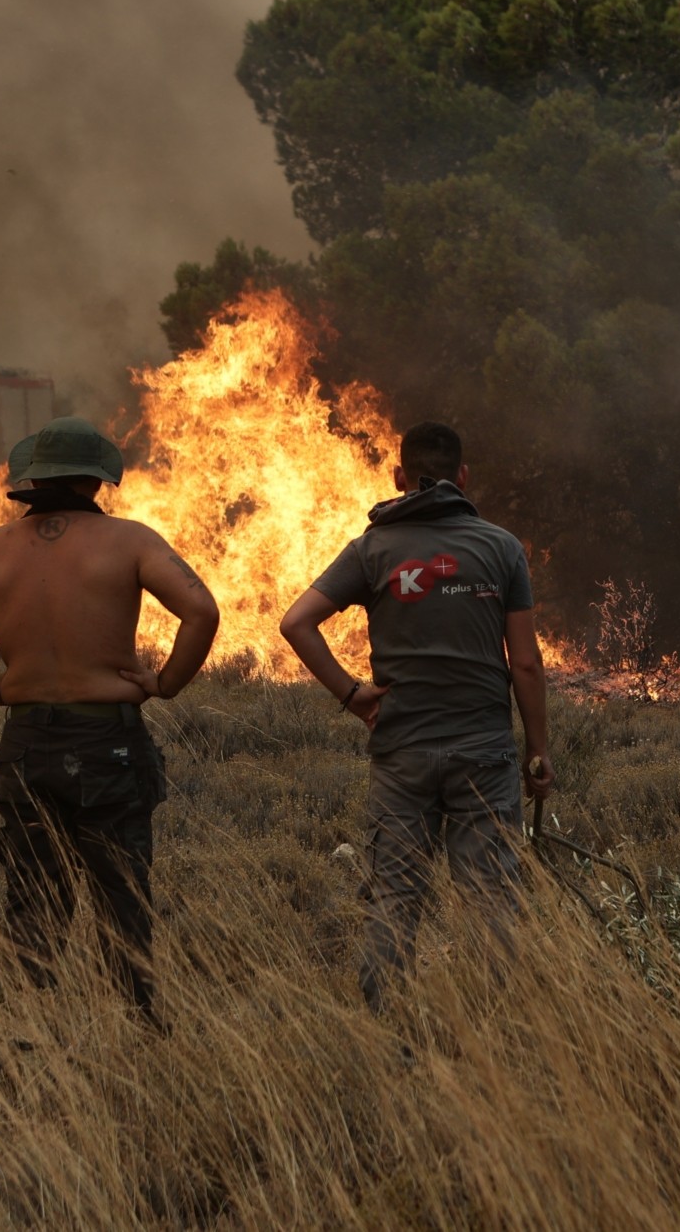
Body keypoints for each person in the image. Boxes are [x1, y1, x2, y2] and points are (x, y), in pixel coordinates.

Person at [0, 417, 219, 1022]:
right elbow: (201, 610)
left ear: (32, 479)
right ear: (96, 481)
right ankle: (136, 1025)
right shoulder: (129, 541)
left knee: (35, 896)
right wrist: (165, 684)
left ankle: (30, 1030)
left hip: (27, 745)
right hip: (108, 742)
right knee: (121, 893)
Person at [279, 421, 553, 1013]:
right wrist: (538, 749)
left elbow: (296, 623)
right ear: (464, 477)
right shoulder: (503, 548)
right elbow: (526, 664)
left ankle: (386, 1026)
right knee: (491, 896)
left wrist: (352, 695)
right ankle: (491, 1027)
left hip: (401, 755)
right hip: (484, 755)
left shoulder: (372, 550)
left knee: (396, 896)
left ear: (399, 476)